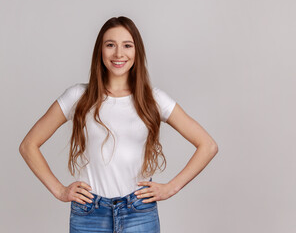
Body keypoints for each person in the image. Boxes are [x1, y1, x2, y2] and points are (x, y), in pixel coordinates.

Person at [19, 16, 218, 233]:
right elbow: (29, 144)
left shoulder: (154, 99)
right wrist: (59, 191)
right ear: (100, 51)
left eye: (127, 45)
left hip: (139, 213)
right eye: (110, 45)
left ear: (137, 52)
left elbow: (207, 145)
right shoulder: (78, 96)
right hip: (89, 214)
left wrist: (171, 188)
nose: (118, 54)